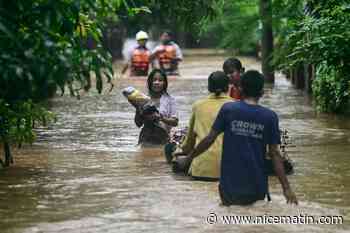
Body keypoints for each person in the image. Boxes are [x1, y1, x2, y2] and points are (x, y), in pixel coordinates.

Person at [184, 70, 298, 206]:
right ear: (262, 92)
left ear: (240, 89)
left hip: (229, 187)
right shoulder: (270, 117)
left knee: (228, 221)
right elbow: (274, 155)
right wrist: (286, 188)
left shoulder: (228, 110)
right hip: (257, 187)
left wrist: (188, 158)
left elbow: (209, 139)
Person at [178, 71, 233, 181]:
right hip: (230, 171)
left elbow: (189, 142)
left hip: (201, 170)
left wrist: (180, 151)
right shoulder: (236, 106)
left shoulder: (198, 106)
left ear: (209, 88)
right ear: (228, 87)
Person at [134, 69, 178, 145]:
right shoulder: (143, 99)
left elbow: (175, 122)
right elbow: (138, 124)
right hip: (145, 139)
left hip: (163, 138)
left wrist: (161, 118)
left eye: (160, 80)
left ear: (164, 83)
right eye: (154, 80)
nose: (157, 83)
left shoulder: (170, 100)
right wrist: (138, 109)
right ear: (150, 82)